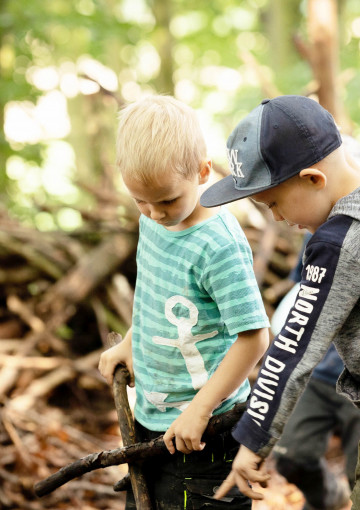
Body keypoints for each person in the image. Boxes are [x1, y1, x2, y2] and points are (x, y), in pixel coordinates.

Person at [98, 95, 270, 509]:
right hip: (150, 421)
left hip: (206, 434)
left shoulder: (218, 245)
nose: (154, 213)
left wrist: (200, 409)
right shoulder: (154, 220)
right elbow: (160, 293)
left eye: (168, 200)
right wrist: (131, 342)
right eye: (141, 200)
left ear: (203, 171)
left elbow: (254, 338)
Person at [200, 95, 360, 508]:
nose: (276, 218)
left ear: (313, 178)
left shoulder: (339, 241)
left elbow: (293, 349)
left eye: (273, 203)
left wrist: (252, 444)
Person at [271, 233, 360, 510]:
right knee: (290, 456)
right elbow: (303, 291)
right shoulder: (317, 231)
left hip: (356, 379)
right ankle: (327, 499)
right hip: (319, 372)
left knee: (355, 476)